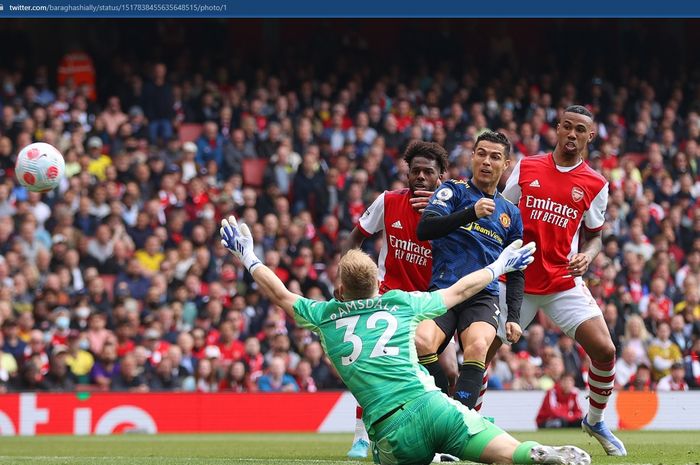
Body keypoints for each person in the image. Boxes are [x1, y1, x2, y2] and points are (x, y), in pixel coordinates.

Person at [219, 215, 590, 465]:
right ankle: (531, 454)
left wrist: (248, 256)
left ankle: (434, 458)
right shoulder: (400, 302)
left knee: (395, 457)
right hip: (434, 406)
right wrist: (500, 266)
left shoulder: (324, 315)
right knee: (507, 453)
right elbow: (460, 290)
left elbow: (281, 294)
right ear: (375, 285)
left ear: (341, 288)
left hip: (392, 430)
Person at [500, 105, 626, 456]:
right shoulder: (527, 166)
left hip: (562, 281)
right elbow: (501, 212)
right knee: (482, 351)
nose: (572, 134)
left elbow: (596, 236)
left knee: (605, 350)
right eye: (566, 127)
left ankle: (596, 420)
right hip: (518, 279)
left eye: (579, 130)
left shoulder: (596, 183)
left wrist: (588, 255)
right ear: (556, 129)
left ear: (589, 137)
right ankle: (465, 423)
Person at [342, 140, 454, 459]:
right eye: (414, 170)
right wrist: (346, 277)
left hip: (429, 303)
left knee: (451, 372)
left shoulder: (451, 212)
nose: (420, 176)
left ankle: (455, 430)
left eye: (428, 172)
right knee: (376, 366)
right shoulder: (388, 201)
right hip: (388, 297)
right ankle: (362, 437)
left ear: (440, 177)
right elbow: (356, 236)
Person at [415, 130, 524, 413]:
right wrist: (470, 213)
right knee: (421, 341)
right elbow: (425, 229)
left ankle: (461, 423)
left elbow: (516, 269)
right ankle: (443, 411)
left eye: (495, 157)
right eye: (482, 154)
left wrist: (513, 317)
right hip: (444, 291)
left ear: (506, 165)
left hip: (482, 297)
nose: (487, 161)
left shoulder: (510, 213)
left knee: (477, 347)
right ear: (473, 156)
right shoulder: (452, 191)